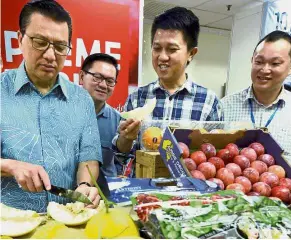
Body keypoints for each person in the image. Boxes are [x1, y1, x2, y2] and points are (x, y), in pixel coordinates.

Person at [1, 0, 102, 212]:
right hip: (9, 223)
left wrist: (85, 185)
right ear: (20, 39)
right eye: (39, 42)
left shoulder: (82, 100)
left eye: (60, 46)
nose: (50, 55)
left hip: (66, 221)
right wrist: (10, 166)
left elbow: (88, 157)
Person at [114, 6, 223, 153]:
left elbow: (215, 156)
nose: (162, 57)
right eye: (157, 48)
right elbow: (122, 155)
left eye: (172, 49)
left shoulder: (208, 102)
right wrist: (125, 139)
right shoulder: (137, 98)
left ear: (191, 53)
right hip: (143, 176)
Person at [221, 30, 291, 159]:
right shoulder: (224, 106)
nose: (264, 70)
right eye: (259, 62)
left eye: (275, 63)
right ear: (252, 60)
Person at [79, 53, 121, 177]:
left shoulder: (118, 120)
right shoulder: (62, 113)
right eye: (97, 77)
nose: (103, 85)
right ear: (82, 77)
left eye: (110, 81)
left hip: (105, 193)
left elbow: (122, 161)